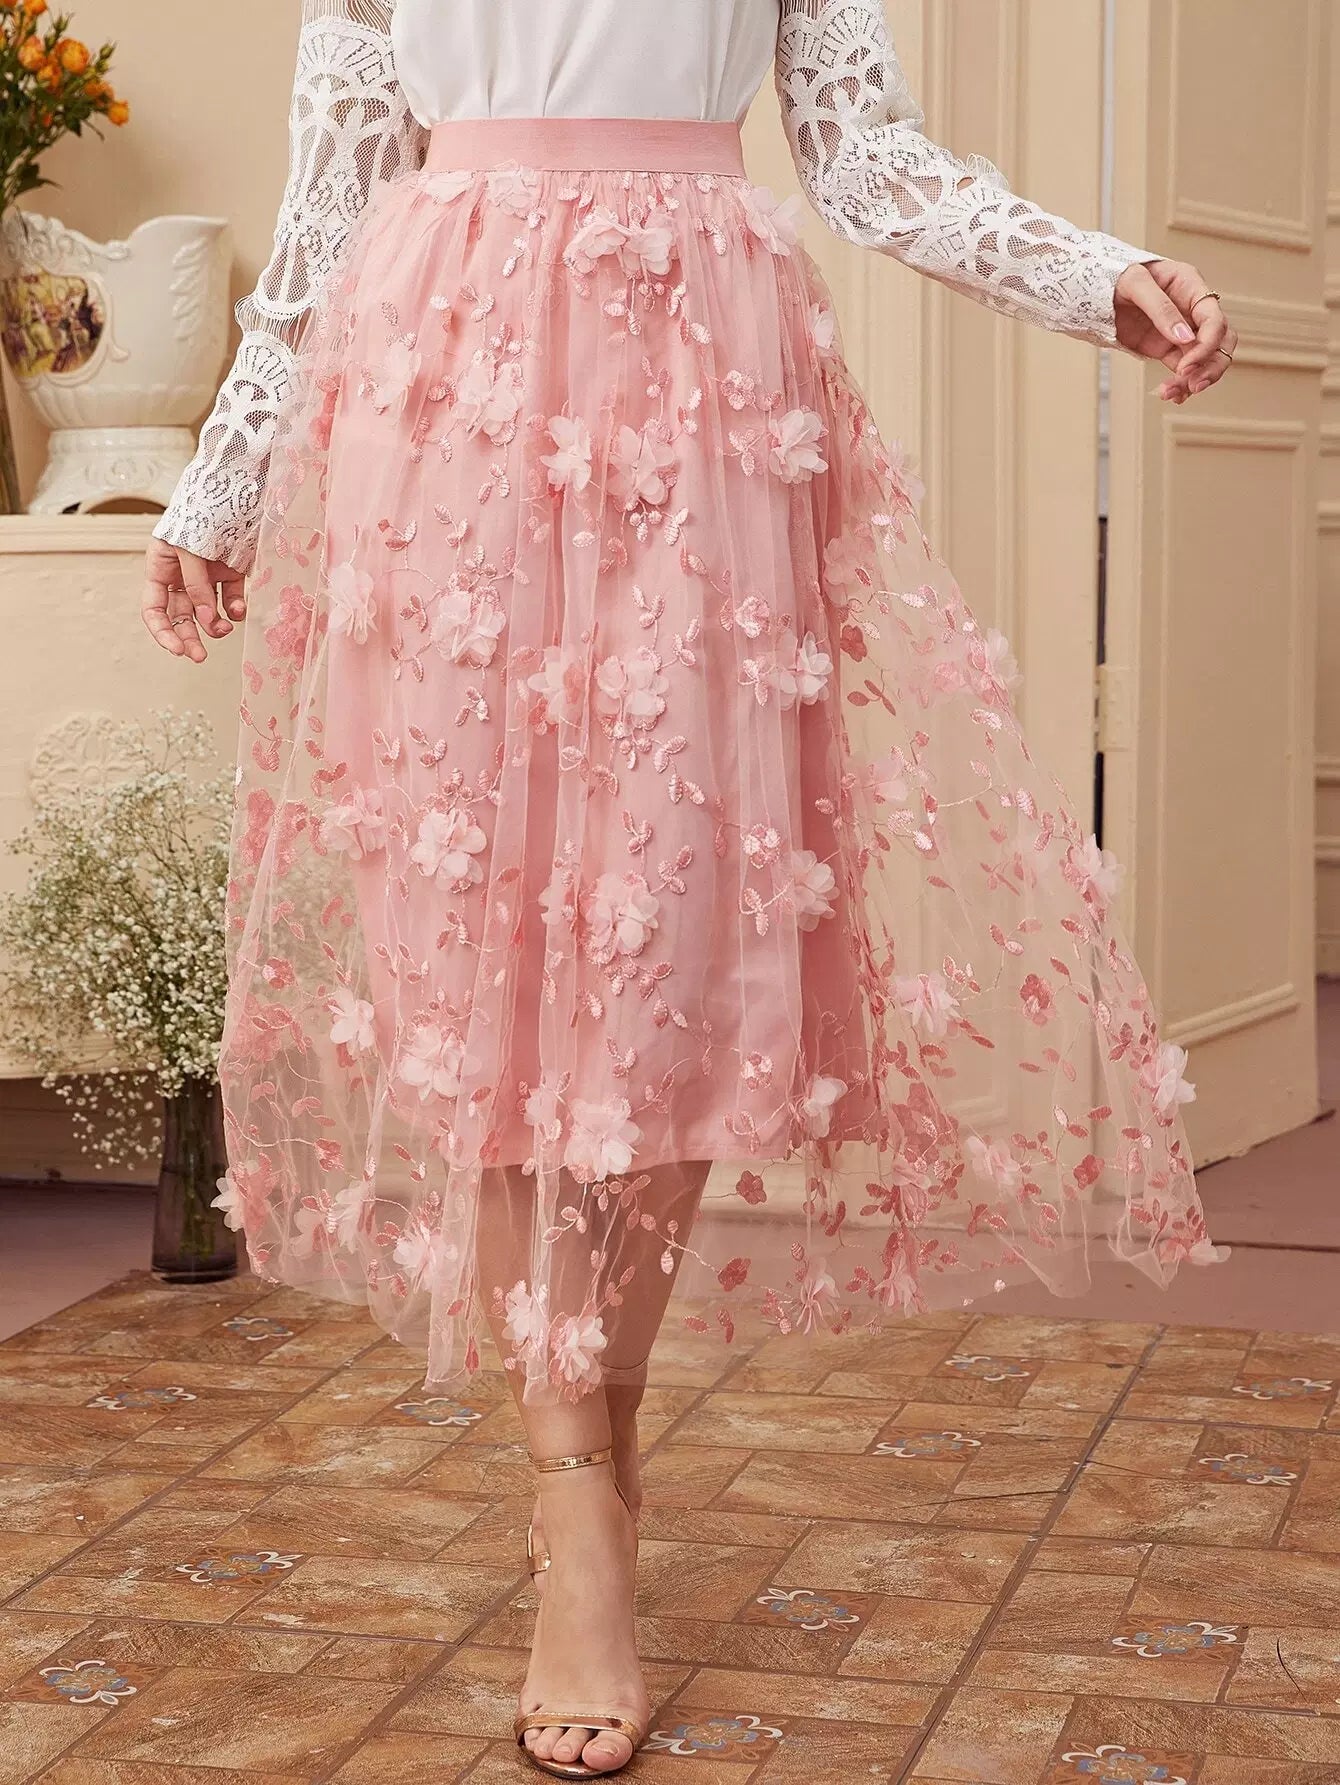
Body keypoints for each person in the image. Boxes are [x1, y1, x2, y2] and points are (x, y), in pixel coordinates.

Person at [142, 1, 1231, 1774]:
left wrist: (1090, 273)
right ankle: (578, 1492)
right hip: (447, 388)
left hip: (697, 390)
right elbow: (334, 191)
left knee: (674, 950)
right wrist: (228, 472)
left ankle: (582, 1443)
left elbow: (864, 156)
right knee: (485, 957)